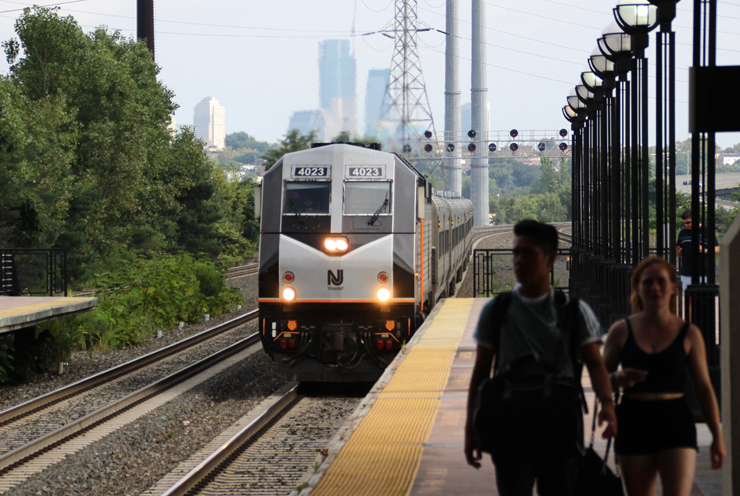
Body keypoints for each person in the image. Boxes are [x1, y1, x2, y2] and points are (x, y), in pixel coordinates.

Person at [464, 220, 617, 496]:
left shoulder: (573, 312)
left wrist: (607, 404)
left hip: (558, 427)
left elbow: (595, 364)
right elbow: (480, 373)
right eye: (516, 253)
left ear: (550, 259)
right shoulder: (496, 311)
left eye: (529, 253)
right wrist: (471, 427)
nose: (520, 260)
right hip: (510, 425)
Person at [602, 256, 725, 496]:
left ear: (672, 287)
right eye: (647, 282)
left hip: (675, 420)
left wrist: (716, 436)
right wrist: (616, 380)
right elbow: (602, 379)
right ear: (637, 288)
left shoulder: (689, 334)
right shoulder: (621, 331)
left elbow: (703, 387)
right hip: (633, 420)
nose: (655, 288)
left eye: (661, 281)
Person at [676, 210, 719, 292]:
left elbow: (717, 249)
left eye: (688, 222)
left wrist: (705, 250)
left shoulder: (706, 231)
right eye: (684, 223)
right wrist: (678, 251)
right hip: (686, 272)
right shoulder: (683, 232)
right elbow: (678, 254)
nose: (686, 225)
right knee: (689, 299)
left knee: (703, 299)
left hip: (703, 272)